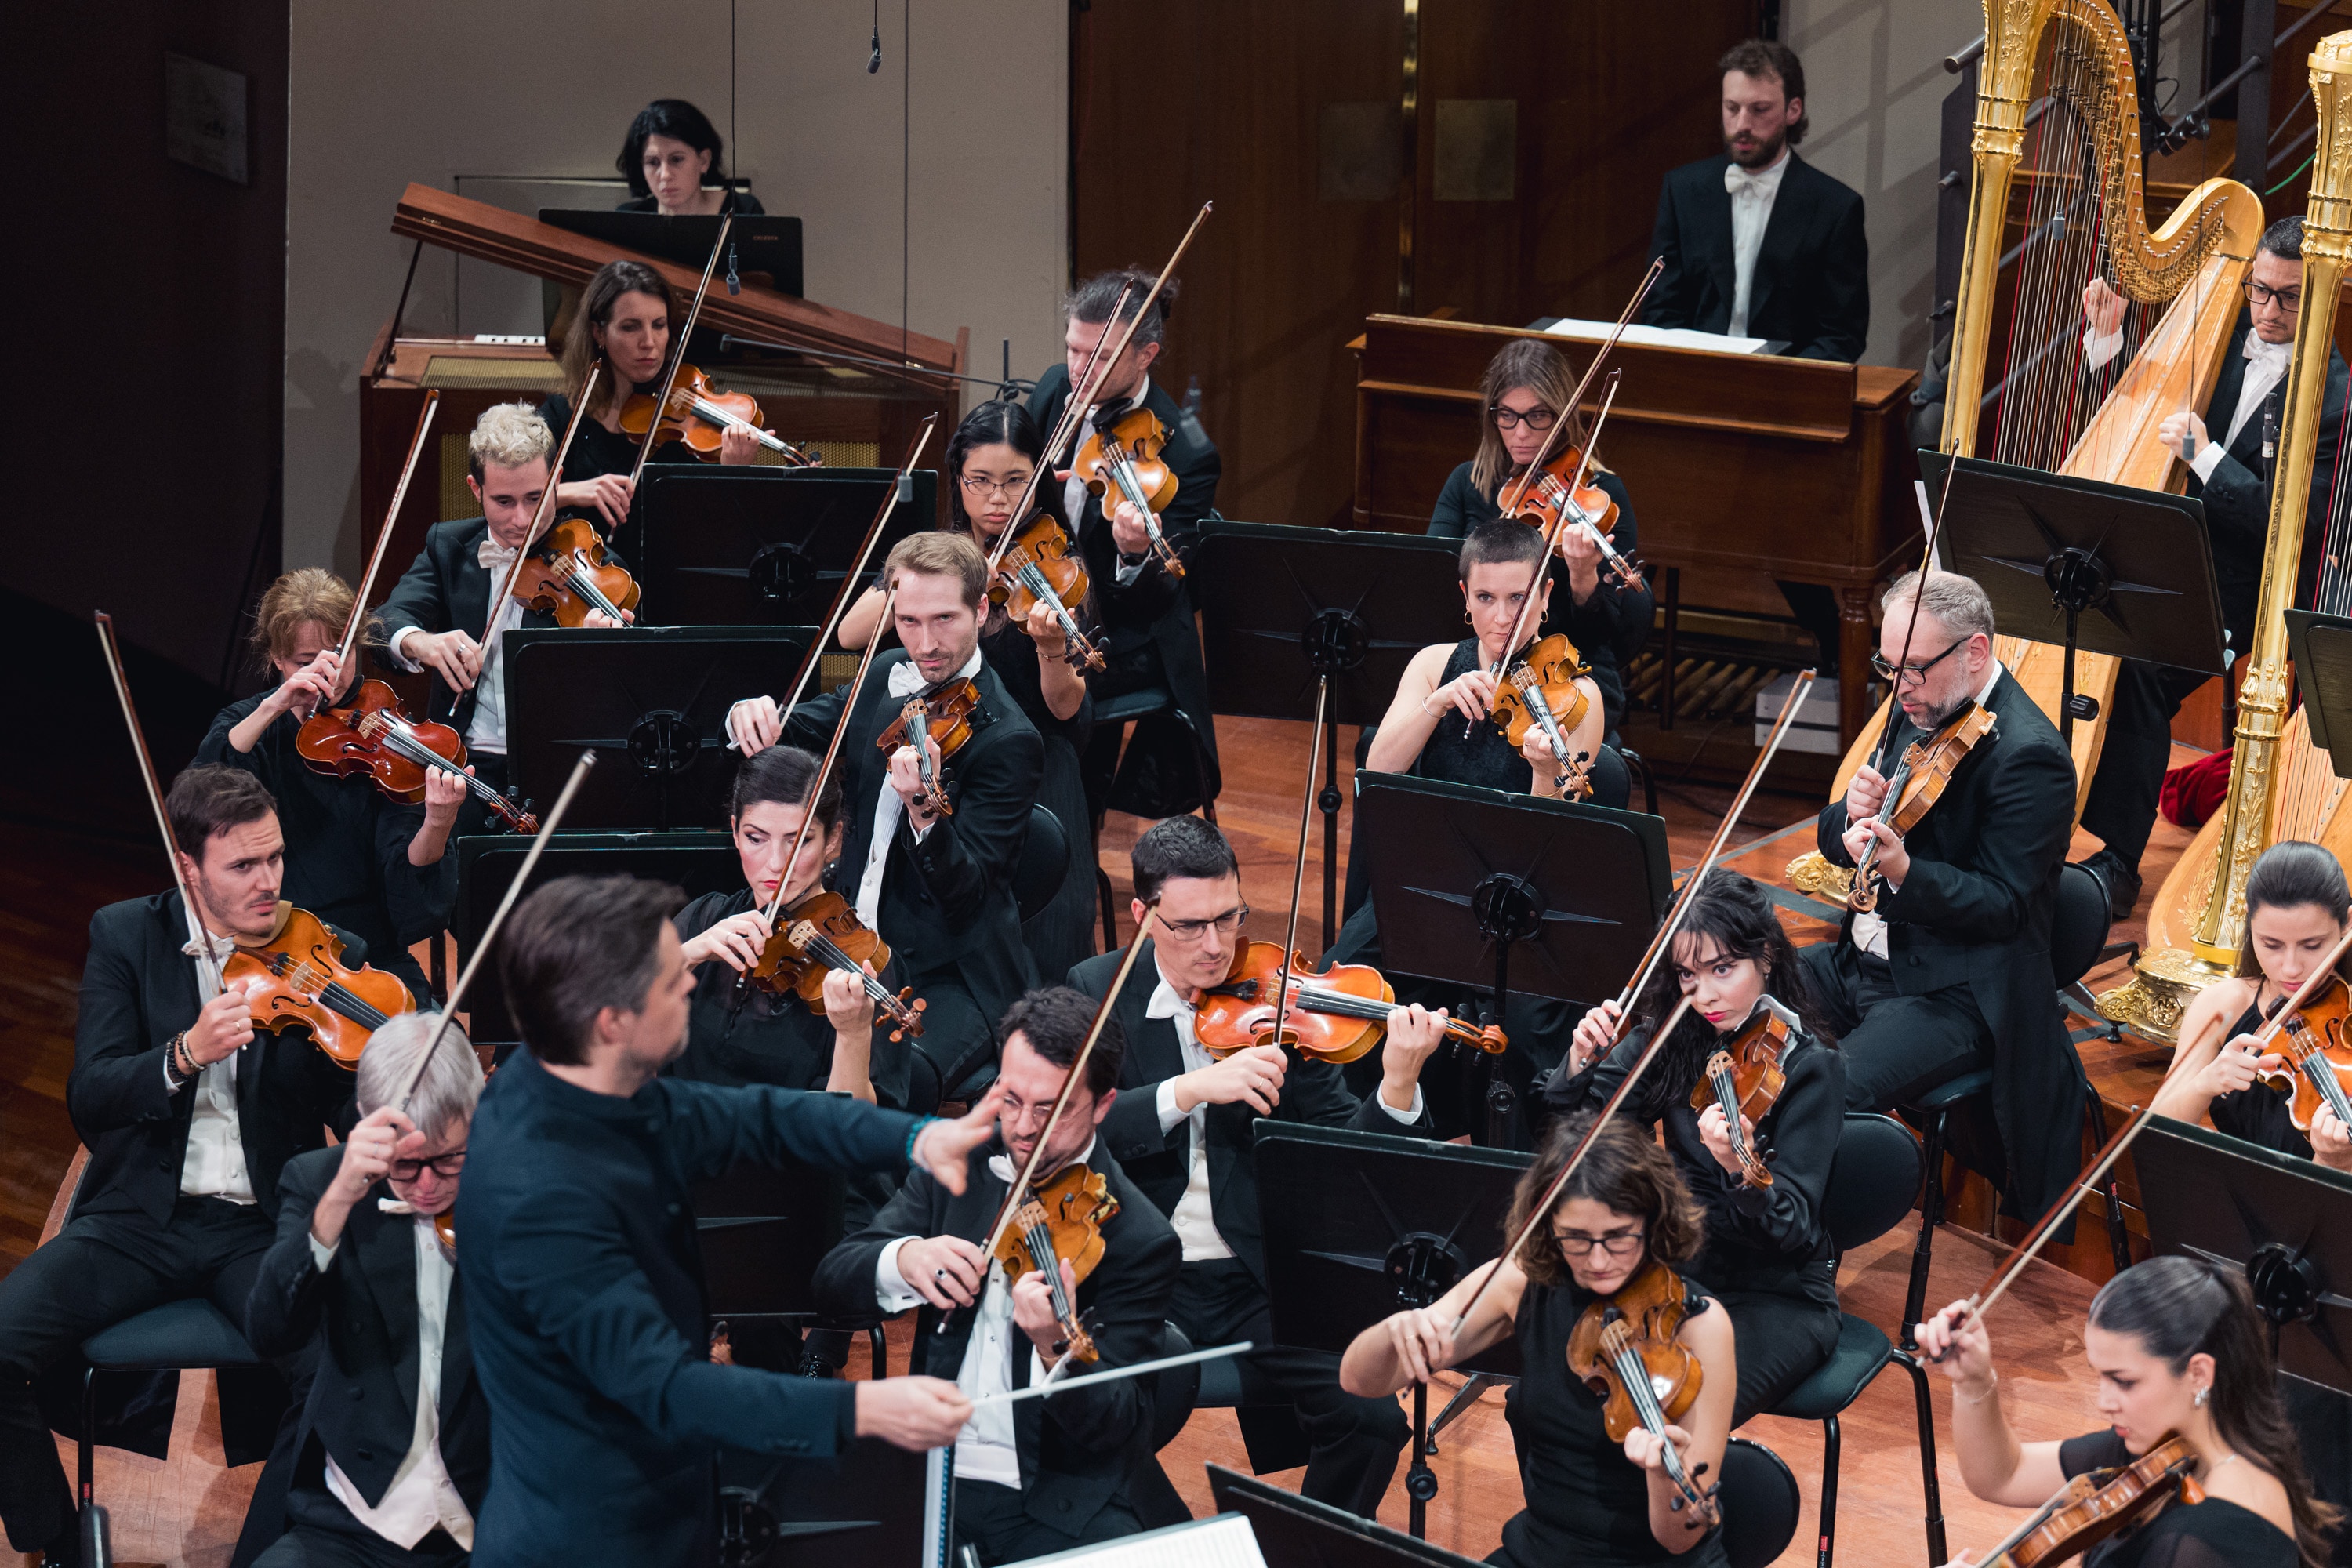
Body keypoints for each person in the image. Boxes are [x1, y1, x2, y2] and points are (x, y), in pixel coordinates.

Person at [456, 873, 1005, 1567]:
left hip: (665, 1497)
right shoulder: (540, 1198)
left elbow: (757, 1118)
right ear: (610, 1023)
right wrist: (864, 1412)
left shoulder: (580, 1080)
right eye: (667, 977)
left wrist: (915, 1137)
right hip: (593, 1532)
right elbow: (665, 1387)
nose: (690, 979)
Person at [0, 767, 356, 1566]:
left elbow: (353, 1100)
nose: (270, 883)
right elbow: (91, 1095)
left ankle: (264, 1552)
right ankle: (57, 1543)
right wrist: (184, 1052)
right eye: (244, 866)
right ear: (188, 867)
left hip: (260, 1226)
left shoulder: (323, 954)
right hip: (138, 1220)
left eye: (276, 858)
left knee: (340, 1373)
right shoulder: (126, 935)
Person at [1069, 814, 1445, 1519]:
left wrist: (1396, 1085)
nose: (1216, 947)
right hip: (1143, 1273)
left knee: (1372, 1422)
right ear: (1142, 915)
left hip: (1258, 1275)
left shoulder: (1280, 1004)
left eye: (1230, 918)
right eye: (1189, 927)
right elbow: (1067, 1126)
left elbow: (1349, 1155)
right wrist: (1188, 1091)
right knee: (1092, 1420)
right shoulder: (1097, 993)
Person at [812, 988, 1181, 1564]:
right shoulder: (959, 1160)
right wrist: (905, 1257)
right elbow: (833, 1282)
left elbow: (1118, 1426)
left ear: (1104, 1104)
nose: (1024, 1130)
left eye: (1051, 1111)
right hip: (933, 1465)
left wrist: (1055, 1345)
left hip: (1048, 1497)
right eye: (1010, 1100)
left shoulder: (1136, 1235)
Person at [2075, 216, 2350, 918]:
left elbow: (2292, 521)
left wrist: (2205, 458)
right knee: (2071, 626)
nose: (2267, 310)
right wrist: (2110, 340)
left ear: (2321, 299)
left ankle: (2115, 862)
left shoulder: (2336, 395)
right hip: (2164, 552)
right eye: (2260, 289)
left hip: (2245, 584)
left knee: (2135, 668)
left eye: (2289, 298)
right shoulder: (2223, 341)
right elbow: (2146, 407)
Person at [1800, 568, 2089, 1225]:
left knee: (1822, 1096)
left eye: (1914, 669)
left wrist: (1904, 871)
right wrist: (1850, 816)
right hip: (1858, 964)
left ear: (1975, 653)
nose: (1898, 685)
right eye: (1888, 665)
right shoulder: (1921, 702)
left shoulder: (2032, 757)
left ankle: (1802, 1264)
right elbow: (1834, 837)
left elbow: (2004, 905)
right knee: (1717, 1007)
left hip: (1949, 996)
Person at [1340, 1112, 1737, 1568]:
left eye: (1619, 1237)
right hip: (1540, 1552)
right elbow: (1358, 1380)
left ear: (1653, 1221)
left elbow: (1680, 1540)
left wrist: (1659, 1477)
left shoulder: (1697, 1324)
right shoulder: (1522, 1283)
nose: (1600, 1259)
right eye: (1577, 1239)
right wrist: (1394, 1330)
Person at [728, 531, 1046, 1097]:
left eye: (945, 619)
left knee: (897, 1082)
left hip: (949, 971)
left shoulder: (1010, 739)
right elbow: (800, 726)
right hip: (847, 936)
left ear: (982, 609)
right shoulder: (886, 674)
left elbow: (966, 892)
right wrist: (753, 713)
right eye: (909, 621)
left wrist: (924, 810)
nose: (926, 644)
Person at [1547, 870, 1845, 1425]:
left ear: (1768, 957)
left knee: (1673, 1416)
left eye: (1722, 969)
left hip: (1776, 1293)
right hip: (1678, 1267)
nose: (1703, 994)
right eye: (1687, 973)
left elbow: (1794, 1230)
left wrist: (1740, 1170)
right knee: (1558, 1392)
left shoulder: (1810, 1068)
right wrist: (1576, 1066)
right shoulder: (1676, 1034)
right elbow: (1587, 1142)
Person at [837, 399, 1099, 979]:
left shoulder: (1058, 567)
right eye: (980, 482)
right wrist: (929, 577)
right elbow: (852, 634)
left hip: (1033, 751)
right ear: (959, 481)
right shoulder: (941, 561)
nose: (998, 500)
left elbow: (1066, 708)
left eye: (1014, 482)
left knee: (1052, 931)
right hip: (942, 744)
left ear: (1040, 480)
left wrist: (1051, 648)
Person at [240, 1014, 488, 1568]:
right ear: (365, 1123)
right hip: (352, 1522)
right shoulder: (319, 1182)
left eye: (450, 1158)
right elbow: (269, 1331)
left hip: (491, 1517)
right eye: (405, 1164)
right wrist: (336, 1204)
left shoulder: (520, 1187)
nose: (427, 1185)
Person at [1916, 1255, 2333, 1568]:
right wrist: (1974, 1380)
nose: (2103, 1401)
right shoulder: (2167, 1451)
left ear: (2198, 1374)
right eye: (2099, 1376)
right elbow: (2004, 1475)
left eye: (2124, 1381)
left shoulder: (2211, 1537)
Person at [201, 568, 465, 1004]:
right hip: (273, 946)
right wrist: (278, 702)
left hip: (369, 951)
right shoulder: (249, 724)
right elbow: (209, 793)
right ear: (277, 661)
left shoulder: (386, 735)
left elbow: (409, 890)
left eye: (341, 653)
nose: (331, 673)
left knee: (436, 1054)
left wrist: (438, 821)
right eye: (306, 661)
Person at [375, 403, 630, 837]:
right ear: (476, 489)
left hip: (553, 770)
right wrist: (422, 643)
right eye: (504, 501)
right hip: (461, 767)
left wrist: (594, 655)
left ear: (558, 479)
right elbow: (382, 627)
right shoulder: (448, 547)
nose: (523, 520)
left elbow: (634, 689)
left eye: (536, 497)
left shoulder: (598, 570)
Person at [1027, 270, 1223, 819]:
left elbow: (1164, 595)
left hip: (1129, 631)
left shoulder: (1185, 452)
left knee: (1040, 683)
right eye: (1073, 349)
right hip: (1048, 592)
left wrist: (1133, 553)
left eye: (1100, 357)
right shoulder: (1051, 391)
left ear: (1146, 355)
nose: (1078, 369)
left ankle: (1064, 850)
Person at [1423, 339, 1653, 739]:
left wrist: (1584, 578)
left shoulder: (1600, 495)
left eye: (1538, 417)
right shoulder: (1467, 483)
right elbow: (1433, 577)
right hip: (1474, 659)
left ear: (1564, 415)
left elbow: (1614, 642)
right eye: (1507, 416)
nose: (1522, 433)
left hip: (1564, 670)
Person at [670, 743, 911, 1107]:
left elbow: (857, 1133)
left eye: (799, 842)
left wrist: (853, 1033)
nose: (776, 864)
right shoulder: (704, 919)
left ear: (833, 840)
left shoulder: (870, 964)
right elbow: (614, 1041)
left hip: (786, 1155)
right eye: (756, 838)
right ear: (735, 832)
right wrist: (683, 957)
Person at [1644, 39, 1867, 363]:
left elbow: (1842, 334)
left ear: (1793, 110)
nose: (1742, 125)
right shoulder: (1682, 190)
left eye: (1760, 110)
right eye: (1731, 108)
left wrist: (1777, 385)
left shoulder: (1835, 208)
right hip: (1692, 379)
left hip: (1787, 392)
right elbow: (1660, 308)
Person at [1370, 519, 1621, 807]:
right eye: (1485, 597)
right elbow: (1377, 772)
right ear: (1466, 596)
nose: (1502, 618)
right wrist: (1436, 704)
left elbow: (1551, 832)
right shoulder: (1432, 665)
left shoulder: (1579, 696)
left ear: (1545, 595)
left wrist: (1544, 772)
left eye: (1518, 598)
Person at [2151, 840, 2352, 1171]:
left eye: (2312, 945)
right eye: (2271, 944)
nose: (2290, 968)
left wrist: (2335, 1160)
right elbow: (2155, 1136)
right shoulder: (2222, 1004)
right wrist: (2205, 1083)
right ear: (2249, 923)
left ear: (2346, 925)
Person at [537, 260, 771, 537]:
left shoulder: (685, 428)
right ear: (599, 332)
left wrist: (732, 475)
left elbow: (712, 534)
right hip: (576, 575)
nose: (649, 342)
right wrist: (572, 492)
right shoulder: (563, 416)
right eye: (630, 327)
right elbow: (512, 505)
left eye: (659, 325)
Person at [614, 98, 764, 217]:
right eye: (653, 162)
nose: (665, 175)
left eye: (677, 159)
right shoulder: (629, 218)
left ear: (704, 161)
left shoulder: (743, 210)